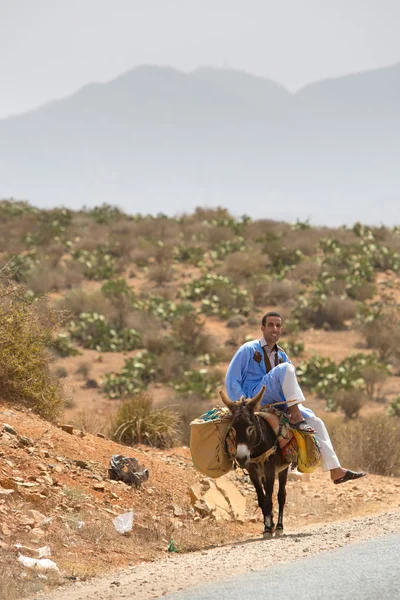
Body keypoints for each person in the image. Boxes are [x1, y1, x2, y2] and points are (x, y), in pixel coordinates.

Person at [225, 311, 366, 484]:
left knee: (316, 421)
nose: (274, 328)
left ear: (282, 329)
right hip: (254, 397)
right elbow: (232, 379)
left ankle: (336, 471)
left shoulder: (282, 355)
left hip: (279, 402)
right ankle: (296, 415)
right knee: (287, 369)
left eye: (278, 325)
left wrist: (290, 404)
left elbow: (288, 384)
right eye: (270, 325)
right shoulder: (248, 349)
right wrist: (244, 407)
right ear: (262, 328)